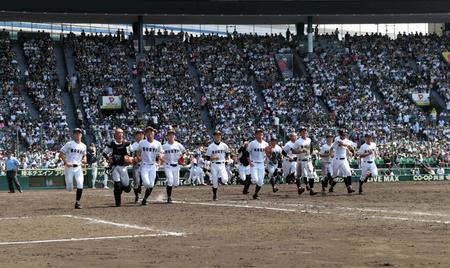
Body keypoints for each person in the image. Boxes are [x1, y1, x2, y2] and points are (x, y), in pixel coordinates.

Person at [128, 127, 163, 205]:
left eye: (151, 132)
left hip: (153, 165)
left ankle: (145, 199)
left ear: (154, 133)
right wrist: (136, 157)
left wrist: (160, 157)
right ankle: (137, 194)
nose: (149, 133)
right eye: (148, 132)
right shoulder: (141, 143)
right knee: (145, 183)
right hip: (143, 165)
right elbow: (133, 150)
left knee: (151, 184)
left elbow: (161, 152)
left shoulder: (157, 143)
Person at [103, 128, 133, 207]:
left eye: (121, 133)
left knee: (127, 188)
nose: (120, 135)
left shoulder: (126, 143)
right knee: (117, 185)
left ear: (123, 134)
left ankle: (120, 189)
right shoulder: (111, 144)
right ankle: (118, 202)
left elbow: (132, 153)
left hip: (123, 167)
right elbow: (104, 153)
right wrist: (108, 158)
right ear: (115, 135)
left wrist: (130, 158)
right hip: (115, 167)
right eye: (118, 133)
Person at [59, 128, 87, 209]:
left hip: (78, 167)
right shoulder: (69, 144)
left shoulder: (83, 146)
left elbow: (84, 155)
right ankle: (68, 185)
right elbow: (61, 153)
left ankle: (77, 202)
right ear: (74, 134)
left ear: (81, 134)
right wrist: (66, 162)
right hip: (69, 167)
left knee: (80, 184)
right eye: (76, 133)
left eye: (79, 133)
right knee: (69, 188)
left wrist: (84, 159)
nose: (78, 134)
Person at [244, 128, 269, 200]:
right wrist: (249, 162)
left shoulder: (265, 144)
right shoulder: (252, 143)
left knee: (261, 182)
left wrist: (268, 159)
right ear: (255, 135)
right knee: (255, 180)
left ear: (263, 135)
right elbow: (246, 153)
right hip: (253, 163)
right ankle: (248, 180)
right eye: (258, 133)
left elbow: (267, 154)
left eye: (261, 133)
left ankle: (256, 194)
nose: (260, 135)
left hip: (261, 164)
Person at [162, 130, 186, 203]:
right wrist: (162, 158)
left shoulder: (178, 145)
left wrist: (183, 157)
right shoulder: (164, 146)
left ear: (174, 136)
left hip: (176, 165)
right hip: (168, 165)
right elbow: (160, 154)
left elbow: (184, 151)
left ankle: (169, 185)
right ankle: (169, 197)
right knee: (170, 180)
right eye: (170, 135)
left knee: (176, 183)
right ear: (167, 137)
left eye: (173, 135)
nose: (171, 136)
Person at [292, 126, 318, 196]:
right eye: (302, 131)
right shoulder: (298, 141)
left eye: (305, 131)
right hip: (300, 160)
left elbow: (311, 148)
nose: (304, 132)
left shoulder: (309, 139)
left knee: (311, 174)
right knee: (298, 175)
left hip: (308, 160)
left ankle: (311, 189)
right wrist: (300, 151)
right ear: (300, 133)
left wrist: (312, 153)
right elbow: (293, 151)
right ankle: (299, 188)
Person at [205, 130, 230, 201]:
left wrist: (227, 158)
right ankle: (215, 195)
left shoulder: (224, 145)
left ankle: (220, 179)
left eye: (219, 135)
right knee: (214, 182)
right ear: (214, 137)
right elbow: (207, 157)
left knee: (225, 180)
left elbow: (227, 153)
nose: (218, 137)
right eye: (216, 135)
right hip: (214, 165)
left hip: (222, 164)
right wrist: (213, 158)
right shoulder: (210, 146)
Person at [330, 129, 355, 194]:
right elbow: (339, 144)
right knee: (335, 175)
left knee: (348, 173)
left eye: (344, 134)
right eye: (342, 134)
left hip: (344, 160)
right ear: (339, 134)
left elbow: (350, 148)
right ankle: (331, 186)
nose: (344, 135)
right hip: (336, 159)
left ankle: (349, 188)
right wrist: (331, 153)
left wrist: (351, 151)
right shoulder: (336, 139)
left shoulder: (348, 141)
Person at [131, 129, 145, 203]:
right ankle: (137, 196)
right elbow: (129, 154)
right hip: (136, 165)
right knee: (136, 182)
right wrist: (133, 158)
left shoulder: (146, 143)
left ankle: (140, 186)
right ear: (136, 136)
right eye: (138, 134)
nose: (140, 135)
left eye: (141, 134)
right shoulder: (134, 145)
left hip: (145, 165)